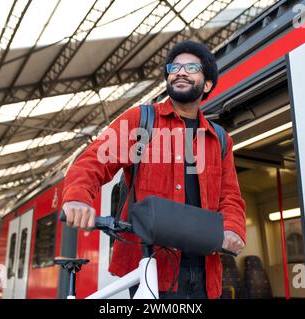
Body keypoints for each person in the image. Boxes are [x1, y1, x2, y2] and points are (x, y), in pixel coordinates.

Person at [62, 40, 246, 299]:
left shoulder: (219, 139)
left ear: (207, 84)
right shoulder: (141, 121)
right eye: (174, 67)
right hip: (151, 267)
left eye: (191, 67)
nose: (180, 72)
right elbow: (93, 161)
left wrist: (233, 228)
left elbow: (231, 197)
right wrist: (78, 197)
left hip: (206, 273)